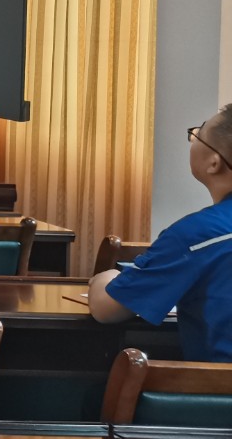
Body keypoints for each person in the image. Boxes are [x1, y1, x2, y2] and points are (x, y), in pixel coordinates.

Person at [89, 105, 232, 358]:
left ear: (214, 162)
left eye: (197, 135)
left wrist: (104, 278)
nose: (192, 140)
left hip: (215, 383)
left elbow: (107, 309)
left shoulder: (197, 236)